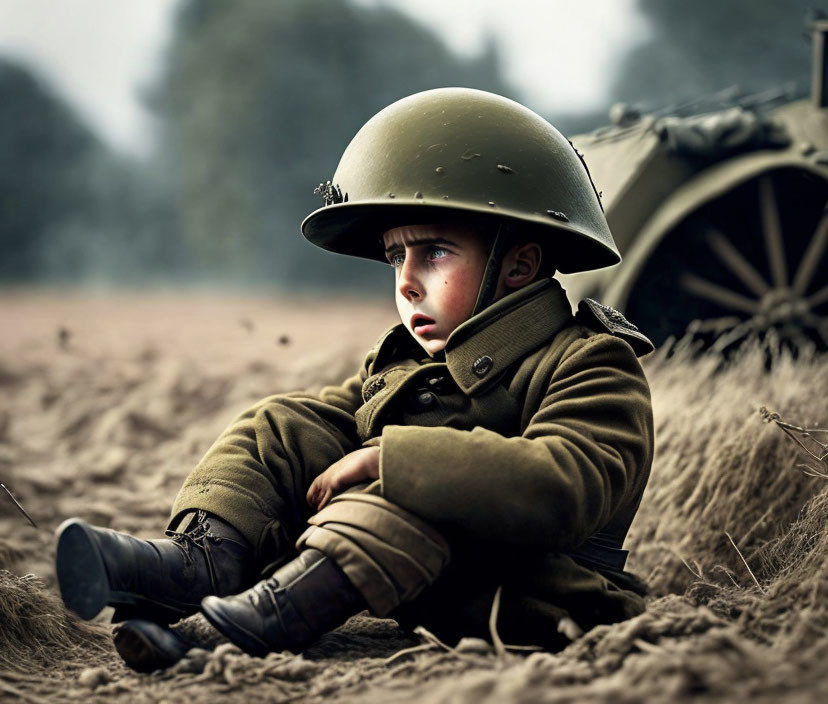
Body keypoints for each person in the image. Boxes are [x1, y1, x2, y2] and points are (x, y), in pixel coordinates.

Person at [54, 87, 655, 671]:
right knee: (282, 426)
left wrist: (390, 462)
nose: (407, 281)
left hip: (540, 596)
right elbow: (337, 423)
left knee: (410, 487)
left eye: (436, 252)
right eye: (397, 257)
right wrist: (314, 449)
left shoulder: (592, 362)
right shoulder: (415, 364)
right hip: (435, 579)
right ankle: (198, 564)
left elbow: (565, 483)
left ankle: (255, 620)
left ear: (519, 265)